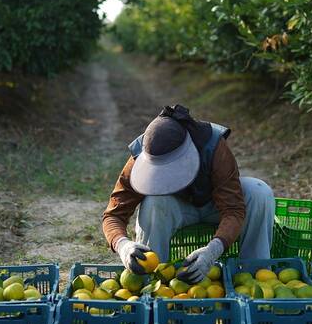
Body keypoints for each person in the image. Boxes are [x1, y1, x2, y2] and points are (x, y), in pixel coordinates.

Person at [102, 104, 274, 283]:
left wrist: (213, 250)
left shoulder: (212, 145)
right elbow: (113, 215)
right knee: (153, 202)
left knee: (258, 191)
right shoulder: (139, 158)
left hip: (216, 206)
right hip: (176, 209)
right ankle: (153, 281)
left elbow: (234, 209)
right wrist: (123, 246)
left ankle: (255, 275)